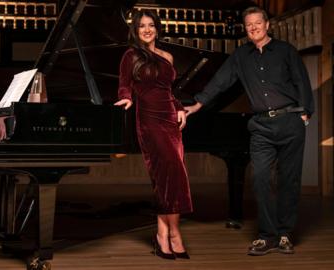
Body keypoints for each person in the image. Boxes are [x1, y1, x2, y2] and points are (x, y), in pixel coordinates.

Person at [185, 6, 314, 256]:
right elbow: (220, 82)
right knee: (261, 179)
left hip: (290, 123)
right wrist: (197, 105)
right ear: (245, 29)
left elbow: (301, 80)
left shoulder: (286, 51)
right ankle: (267, 236)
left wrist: (305, 112)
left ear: (267, 25)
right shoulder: (240, 56)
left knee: (289, 180)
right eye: (249, 25)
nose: (253, 28)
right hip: (261, 126)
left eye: (257, 23)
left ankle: (285, 234)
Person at [114, 10, 192, 260]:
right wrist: (125, 98)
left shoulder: (167, 56)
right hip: (149, 121)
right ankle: (169, 234)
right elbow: (124, 84)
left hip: (171, 120)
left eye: (151, 25)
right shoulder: (131, 55)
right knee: (165, 174)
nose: (147, 30)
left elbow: (169, 91)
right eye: (141, 26)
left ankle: (167, 233)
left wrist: (180, 109)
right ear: (136, 31)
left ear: (157, 28)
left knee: (174, 177)